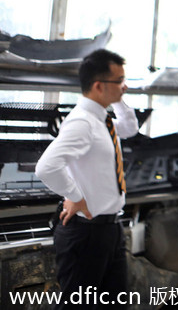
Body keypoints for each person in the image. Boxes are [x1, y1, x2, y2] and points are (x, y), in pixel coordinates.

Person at [35, 49, 139, 308]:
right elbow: (46, 167)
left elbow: (130, 128)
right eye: (120, 81)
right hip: (86, 234)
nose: (124, 87)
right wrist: (75, 196)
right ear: (98, 86)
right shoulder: (82, 122)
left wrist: (117, 99)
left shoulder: (102, 119)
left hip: (109, 230)